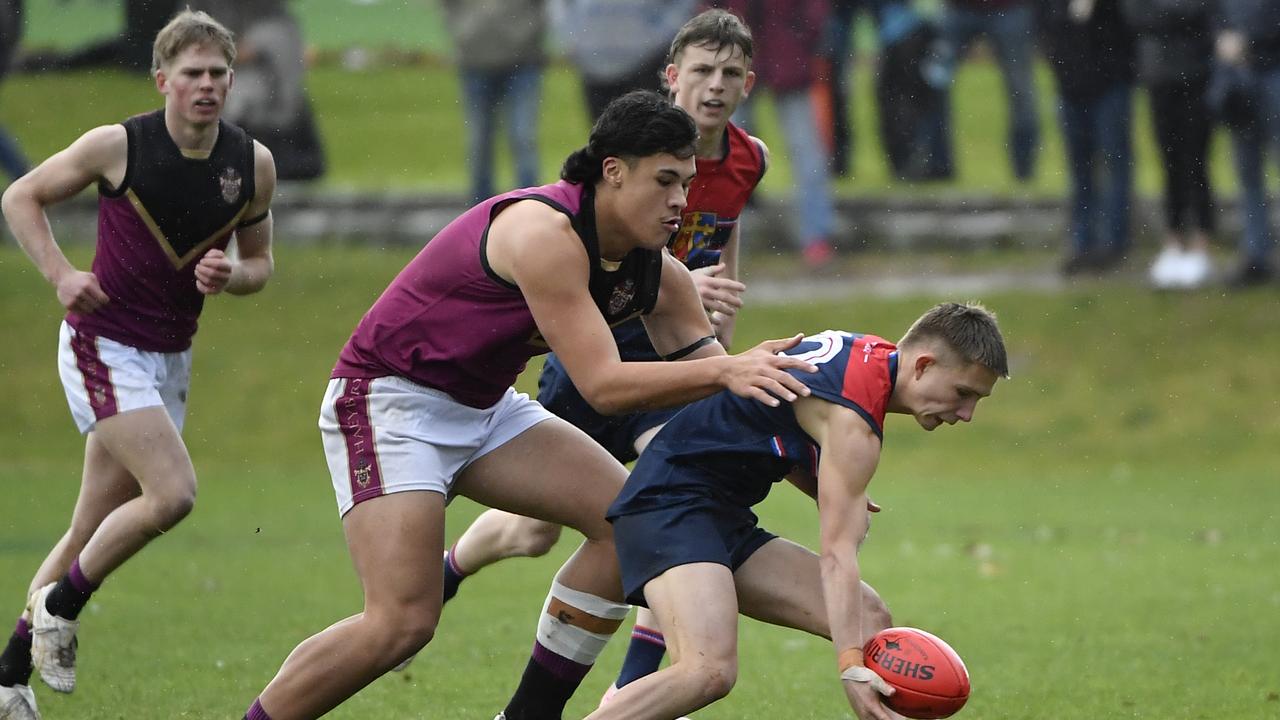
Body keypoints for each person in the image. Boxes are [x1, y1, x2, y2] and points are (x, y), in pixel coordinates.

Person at [240, 90, 816, 720]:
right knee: (401, 624)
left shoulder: (658, 271)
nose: (681, 201)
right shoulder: (545, 233)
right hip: (389, 401)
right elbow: (603, 385)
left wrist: (809, 466)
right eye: (666, 181)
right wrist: (730, 368)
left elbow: (723, 388)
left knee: (629, 524)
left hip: (483, 408)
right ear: (613, 171)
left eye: (687, 182)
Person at [429, 9, 769, 699]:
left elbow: (722, 239)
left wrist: (716, 327)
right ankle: (448, 571)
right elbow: (599, 256)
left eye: (730, 74)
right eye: (701, 70)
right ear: (672, 76)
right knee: (532, 533)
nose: (715, 85)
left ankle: (637, 687)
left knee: (672, 507)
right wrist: (679, 282)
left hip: (675, 361)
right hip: (600, 352)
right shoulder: (635, 150)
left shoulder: (748, 157)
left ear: (748, 84)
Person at [0, 10, 276, 720]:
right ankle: (63, 607)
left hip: (169, 358)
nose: (207, 86)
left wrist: (231, 278)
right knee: (175, 492)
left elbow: (261, 265)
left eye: (218, 73)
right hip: (102, 343)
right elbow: (20, 195)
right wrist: (62, 275)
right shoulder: (118, 145)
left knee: (90, 525)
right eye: (192, 75)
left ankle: (6, 679)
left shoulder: (252, 164)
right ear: (163, 81)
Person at [588, 302, 1009, 720]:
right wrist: (850, 668)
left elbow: (772, 417)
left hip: (718, 518)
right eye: (963, 393)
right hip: (668, 506)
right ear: (923, 365)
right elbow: (837, 555)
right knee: (708, 671)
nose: (968, 414)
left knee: (869, 622)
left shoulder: (867, 356)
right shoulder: (854, 419)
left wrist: (815, 480)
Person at [716, 0, 839, 268]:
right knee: (723, 152)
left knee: (806, 153)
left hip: (787, 54)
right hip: (738, 55)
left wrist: (801, 34)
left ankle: (817, 236)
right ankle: (717, 241)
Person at [1035, 0, 1136, 275]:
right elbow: (1044, 23)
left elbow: (1131, 25)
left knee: (1115, 162)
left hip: (1110, 82)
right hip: (1070, 84)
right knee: (1079, 168)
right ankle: (1082, 242)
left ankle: (1114, 241)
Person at [1121, 0, 1216, 290]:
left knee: (1196, 161)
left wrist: (1168, 14)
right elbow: (1137, 14)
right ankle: (1173, 242)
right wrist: (1175, 14)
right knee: (1169, 161)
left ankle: (1201, 243)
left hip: (1198, 74)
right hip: (1160, 76)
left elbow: (1201, 11)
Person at [442, 0, 546, 204]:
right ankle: (480, 212)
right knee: (480, 141)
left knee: (522, 137)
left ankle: (530, 207)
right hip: (476, 60)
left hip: (523, 59)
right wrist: (464, 30)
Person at [926, 0, 1041, 181]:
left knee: (1021, 88)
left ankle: (1024, 169)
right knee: (936, 82)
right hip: (960, 9)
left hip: (1009, 8)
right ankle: (937, 165)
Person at [1212, 0, 1280, 287]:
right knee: (1247, 171)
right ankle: (1256, 253)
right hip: (1238, 76)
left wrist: (1248, 38)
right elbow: (1214, 14)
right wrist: (1222, 38)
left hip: (1273, 71)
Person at [549, 0, 697, 121]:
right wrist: (572, 39)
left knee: (648, 138)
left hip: (645, 66)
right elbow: (559, 8)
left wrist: (655, 38)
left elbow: (681, 7)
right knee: (603, 141)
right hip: (594, 68)